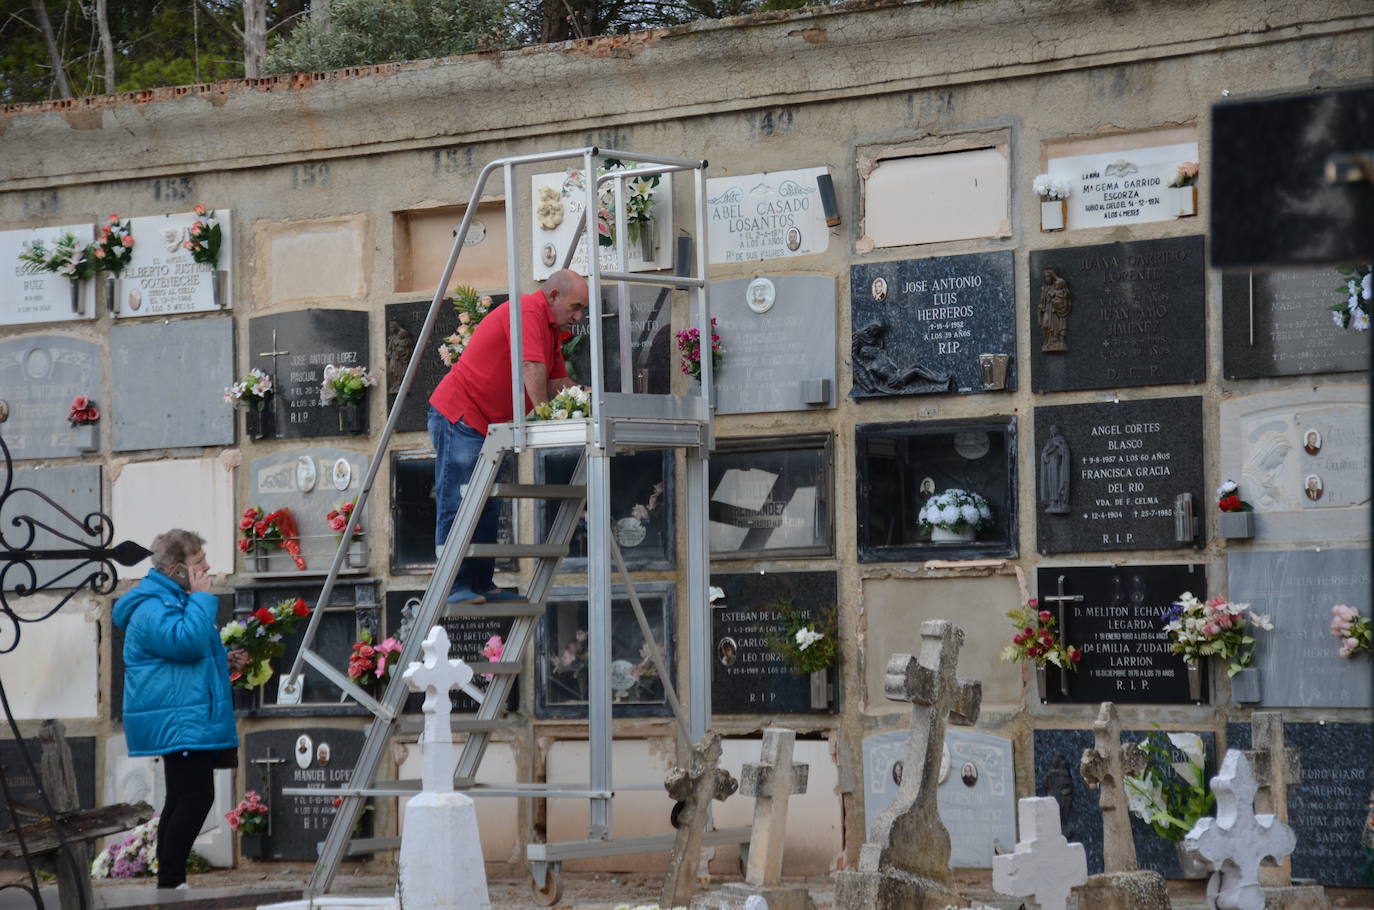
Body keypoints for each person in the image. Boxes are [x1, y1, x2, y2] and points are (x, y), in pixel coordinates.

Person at [429, 269, 589, 603]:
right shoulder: (529, 311)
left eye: (581, 311)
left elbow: (556, 382)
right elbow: (532, 368)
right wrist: (547, 418)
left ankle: (482, 584)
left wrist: (588, 400)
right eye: (575, 307)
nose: (577, 317)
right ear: (554, 295)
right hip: (461, 415)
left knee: (488, 504)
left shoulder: (549, 329)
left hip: (487, 426)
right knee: (458, 499)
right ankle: (452, 586)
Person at [112, 530, 241, 891]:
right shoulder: (153, 605)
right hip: (177, 720)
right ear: (174, 569)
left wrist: (223, 658)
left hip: (182, 715)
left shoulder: (169, 598)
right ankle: (171, 880)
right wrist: (202, 599)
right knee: (196, 797)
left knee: (183, 798)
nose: (207, 567)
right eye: (198, 561)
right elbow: (184, 642)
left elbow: (182, 655)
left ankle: (170, 880)